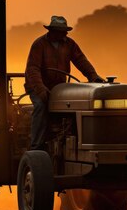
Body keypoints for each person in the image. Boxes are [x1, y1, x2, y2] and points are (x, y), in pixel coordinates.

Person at [24, 15, 105, 150]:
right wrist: (40, 89)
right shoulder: (39, 44)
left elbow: (81, 60)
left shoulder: (69, 44)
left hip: (59, 88)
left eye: (65, 31)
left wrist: (93, 76)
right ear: (52, 31)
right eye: (61, 31)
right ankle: (36, 145)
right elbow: (33, 69)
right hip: (38, 86)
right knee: (41, 106)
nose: (65, 34)